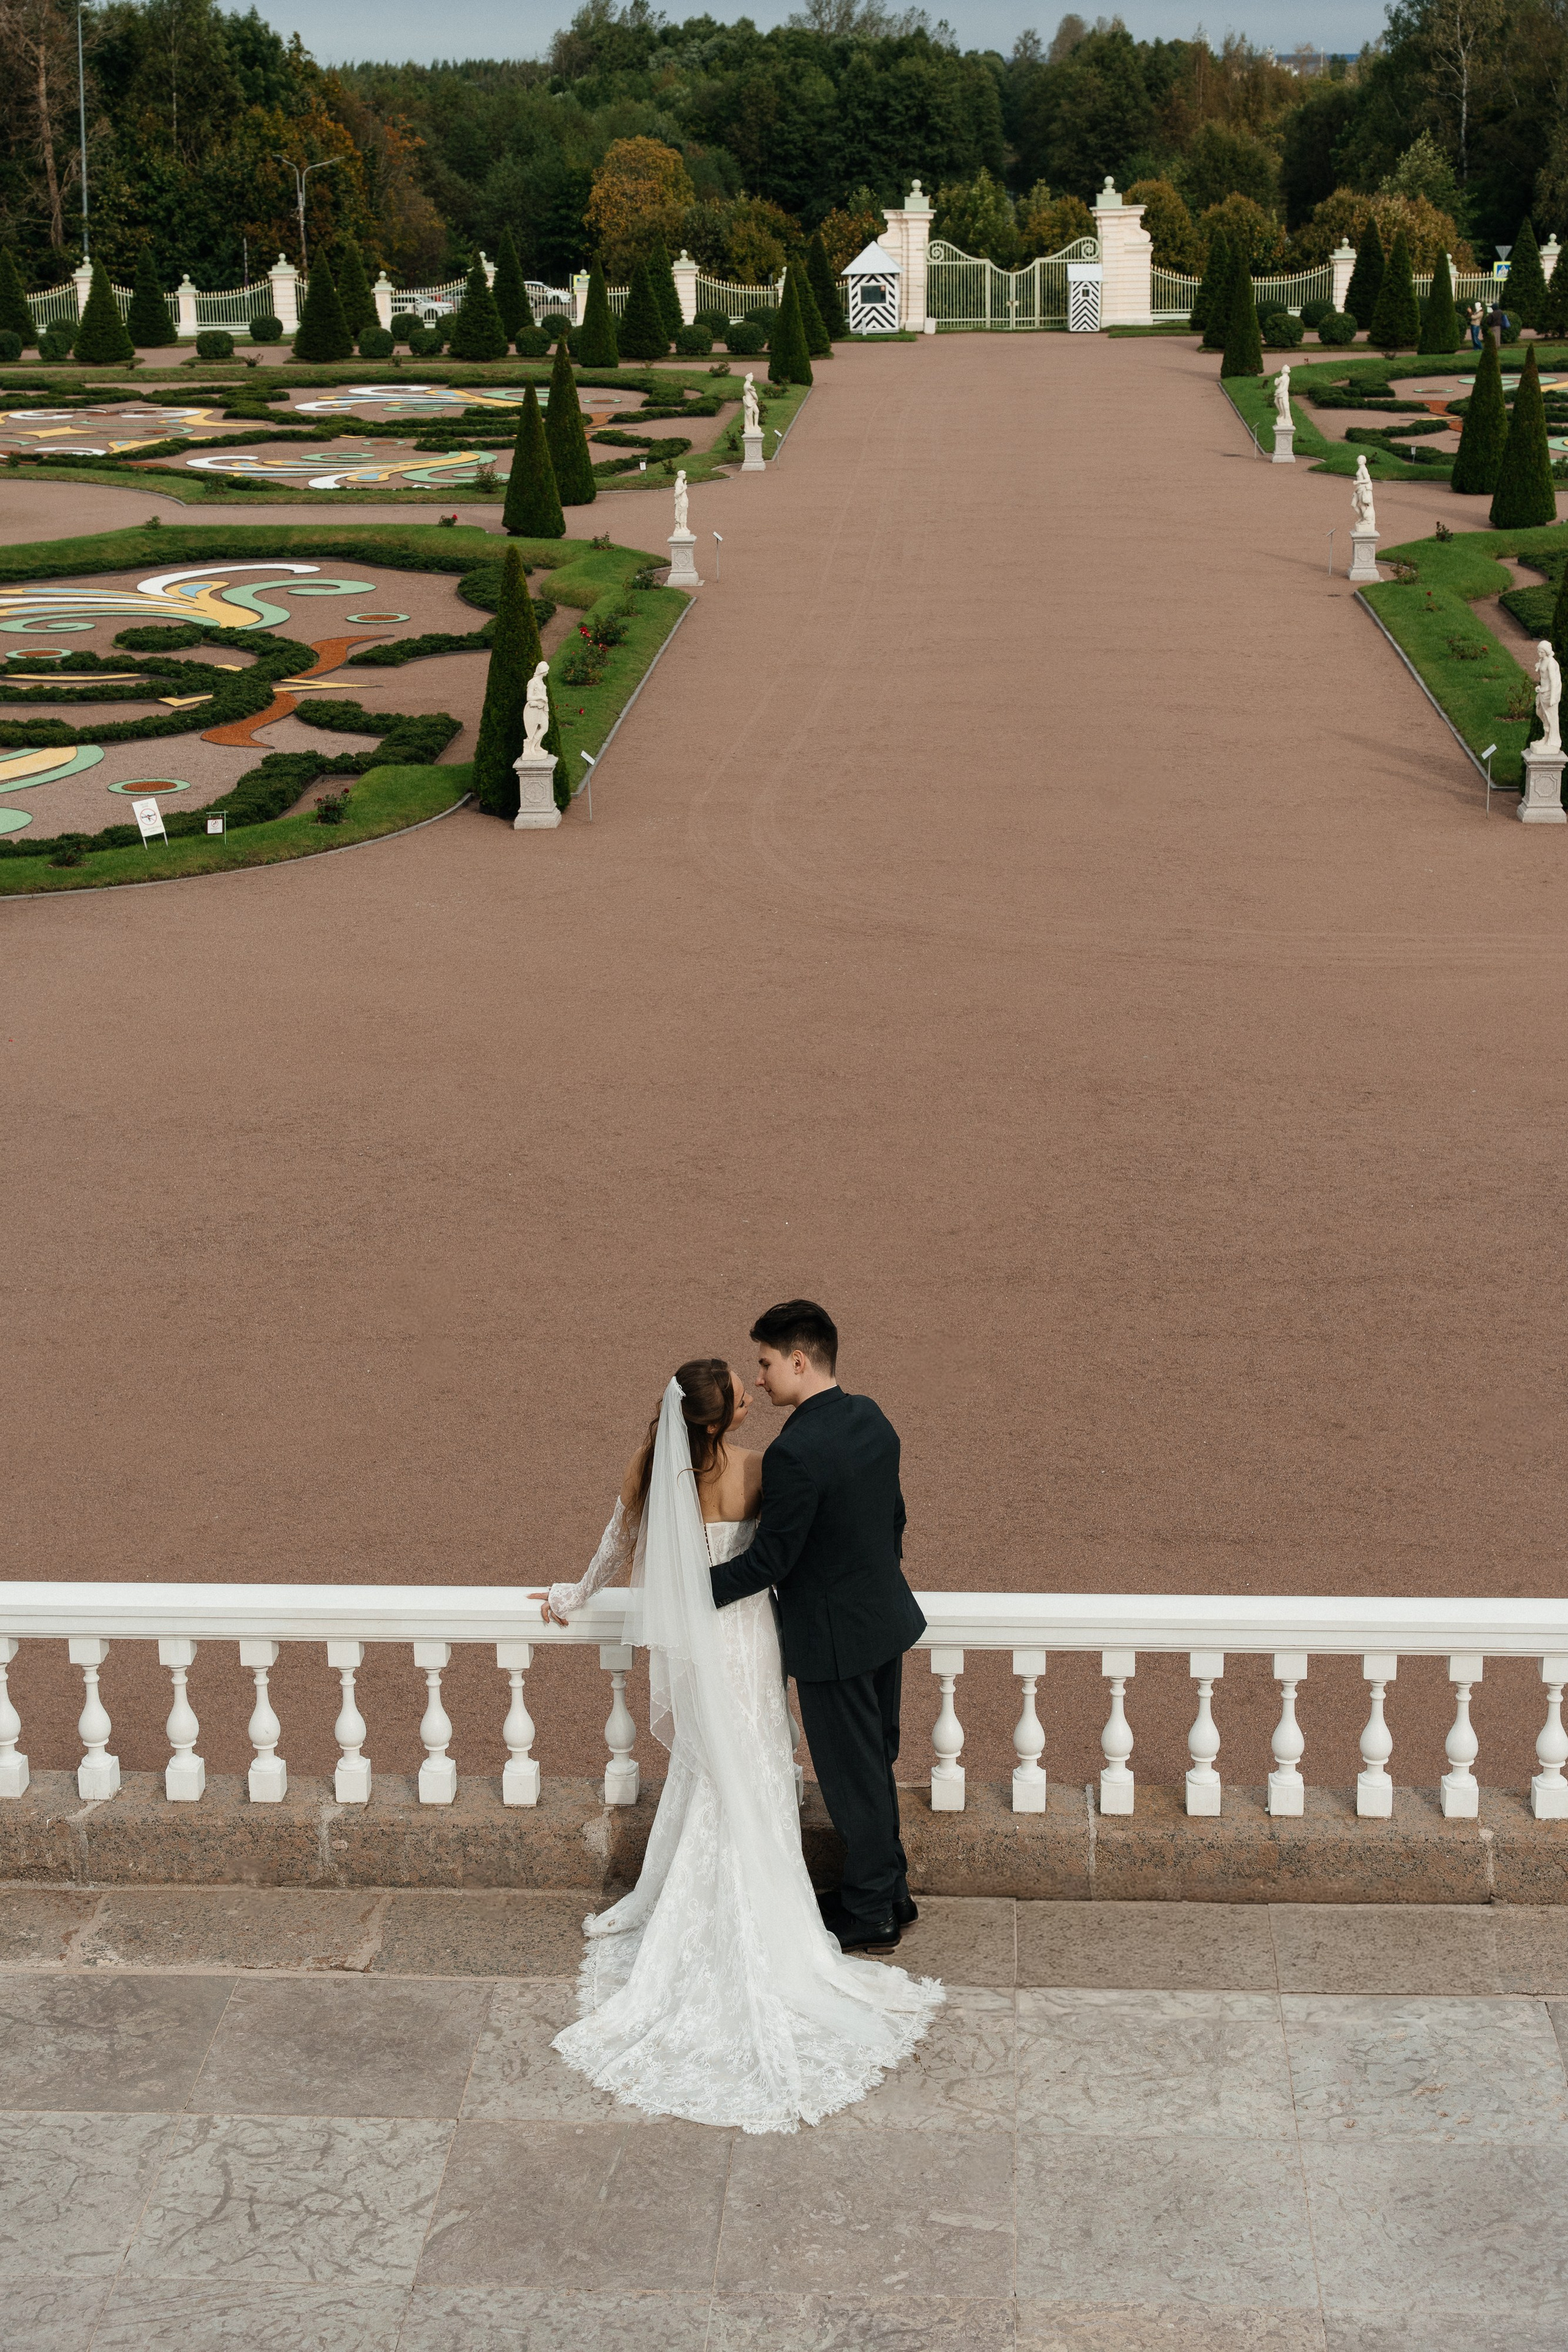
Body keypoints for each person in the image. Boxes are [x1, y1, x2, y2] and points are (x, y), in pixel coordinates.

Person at [541, 1353, 941, 2134]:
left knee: (707, 1770)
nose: (754, 1391)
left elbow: (614, 1549)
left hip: (697, 1648)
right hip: (749, 1637)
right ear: (726, 1417)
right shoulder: (761, 1469)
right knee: (758, 1759)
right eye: (741, 1388)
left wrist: (572, 1597)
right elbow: (790, 1550)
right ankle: (776, 1899)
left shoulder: (648, 1473)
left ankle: (700, 1897)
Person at [708, 1299, 928, 1954]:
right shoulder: (872, 1419)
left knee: (850, 1776)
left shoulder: (793, 1452)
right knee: (874, 1763)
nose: (762, 1376)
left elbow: (771, 1562)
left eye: (766, 1363)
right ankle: (890, 1892)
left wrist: (685, 1591)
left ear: (799, 1361)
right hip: (884, 1619)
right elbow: (895, 1520)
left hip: (833, 1640)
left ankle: (871, 1916)